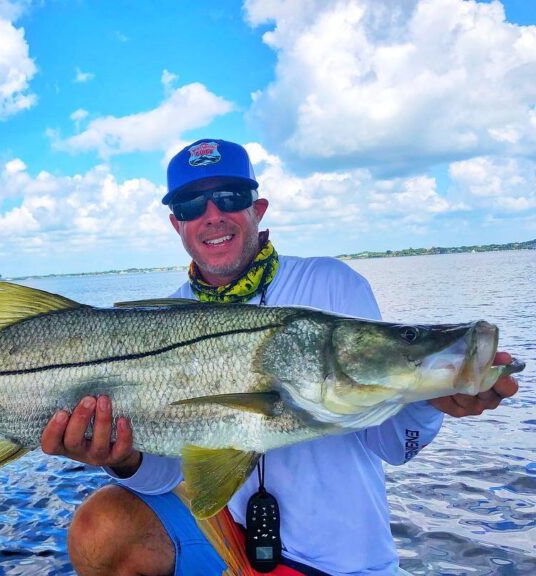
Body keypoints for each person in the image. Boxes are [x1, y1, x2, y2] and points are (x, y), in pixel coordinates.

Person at [41, 139, 520, 576]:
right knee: (99, 528)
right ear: (177, 224)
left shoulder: (331, 286)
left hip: (341, 562)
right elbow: (169, 474)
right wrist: (123, 460)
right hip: (228, 544)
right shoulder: (166, 314)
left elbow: (396, 446)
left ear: (257, 208)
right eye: (191, 204)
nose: (213, 215)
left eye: (230, 197)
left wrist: (428, 395)